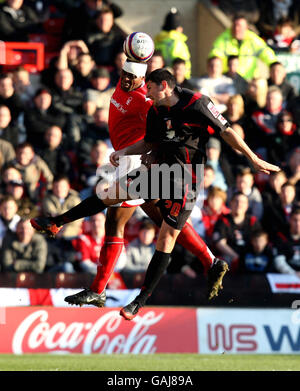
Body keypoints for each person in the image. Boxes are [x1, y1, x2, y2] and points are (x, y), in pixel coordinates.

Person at [31, 68, 280, 319]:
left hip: (186, 181)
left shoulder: (198, 103)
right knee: (109, 194)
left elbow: (227, 131)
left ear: (164, 86)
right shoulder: (155, 110)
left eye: (149, 88)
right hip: (158, 172)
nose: (146, 93)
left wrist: (252, 158)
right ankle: (56, 222)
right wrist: (124, 152)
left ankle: (139, 301)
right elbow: (149, 142)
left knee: (166, 238)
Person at [209, 13, 277, 80]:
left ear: (246, 27)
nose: (237, 29)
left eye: (240, 26)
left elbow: (265, 52)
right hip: (228, 79)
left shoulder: (252, 39)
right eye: (235, 26)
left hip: (249, 80)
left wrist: (274, 64)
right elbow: (216, 53)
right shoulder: (224, 38)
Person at [212, 192, 262, 267]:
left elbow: (261, 240)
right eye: (236, 201)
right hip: (230, 258)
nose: (239, 204)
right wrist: (237, 258)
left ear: (247, 206)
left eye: (242, 202)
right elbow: (220, 243)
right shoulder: (223, 220)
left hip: (249, 257)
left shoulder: (253, 221)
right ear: (230, 203)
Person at [154, 8, 192, 79]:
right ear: (178, 28)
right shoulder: (178, 43)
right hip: (175, 80)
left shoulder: (158, 40)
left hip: (158, 78)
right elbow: (182, 66)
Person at [273, 206, 300, 276]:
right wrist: (294, 274)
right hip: (287, 277)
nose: (298, 224)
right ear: (290, 220)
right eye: (295, 220)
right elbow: (279, 261)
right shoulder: (281, 236)